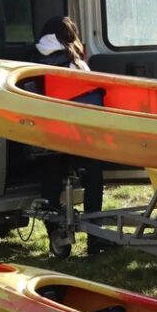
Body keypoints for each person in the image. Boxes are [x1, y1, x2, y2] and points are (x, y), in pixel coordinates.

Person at [33, 15, 106, 254]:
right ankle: (95, 236)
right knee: (93, 176)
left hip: (45, 136)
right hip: (77, 135)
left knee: (50, 181)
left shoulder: (32, 58)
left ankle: (56, 234)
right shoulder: (75, 62)